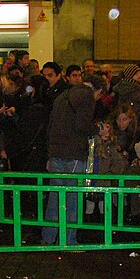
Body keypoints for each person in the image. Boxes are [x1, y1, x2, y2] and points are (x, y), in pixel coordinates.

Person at [41, 77, 97, 246]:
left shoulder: (62, 96)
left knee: (55, 196)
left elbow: (50, 126)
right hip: (73, 153)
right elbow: (82, 125)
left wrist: (50, 153)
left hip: (56, 151)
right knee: (72, 198)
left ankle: (48, 238)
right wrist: (96, 130)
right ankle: (68, 241)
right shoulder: (87, 97)